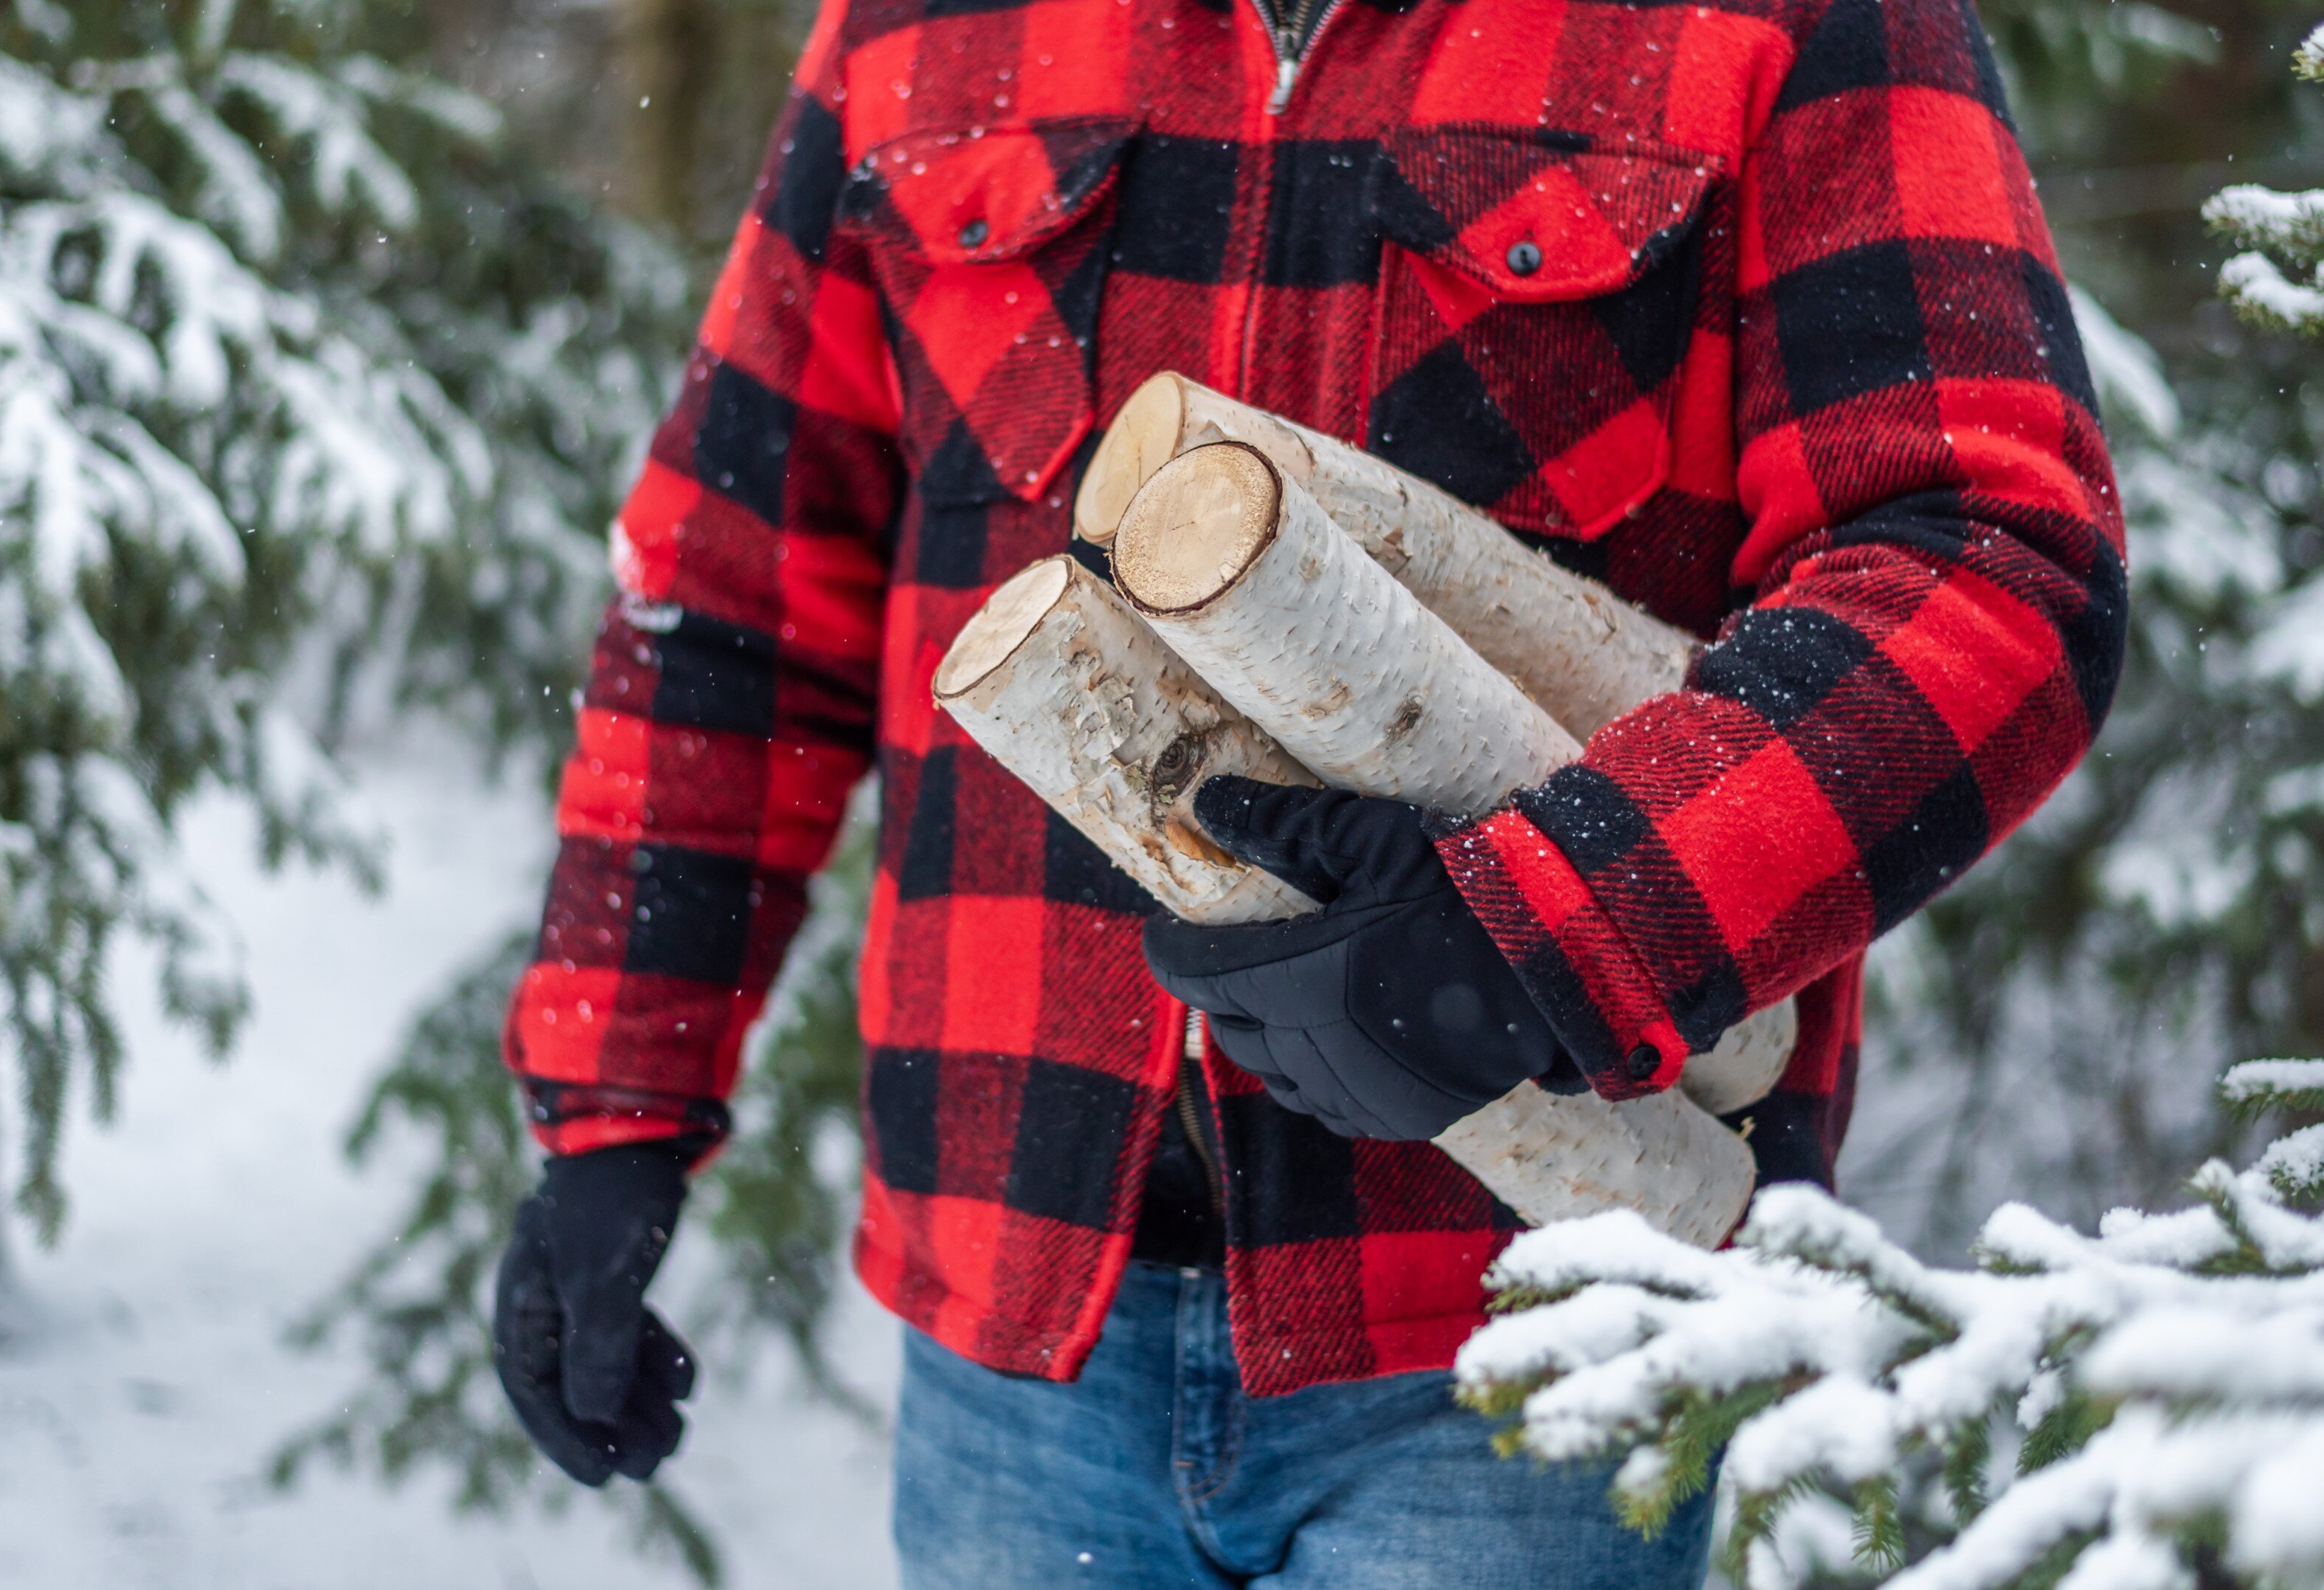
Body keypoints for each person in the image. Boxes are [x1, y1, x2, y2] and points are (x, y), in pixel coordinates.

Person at [487, 0, 2127, 1581]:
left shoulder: (1785, 13)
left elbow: (1984, 553)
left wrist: (1549, 924)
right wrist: (615, 1107)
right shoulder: (925, 23)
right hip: (1018, 1330)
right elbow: (729, 599)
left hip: (1524, 1330)